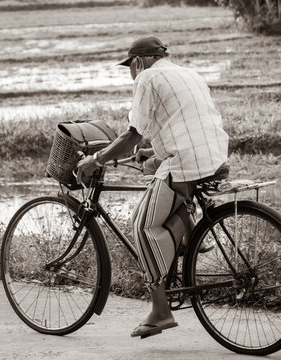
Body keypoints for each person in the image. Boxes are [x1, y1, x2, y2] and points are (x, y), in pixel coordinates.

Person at [76, 35, 229, 339]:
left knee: (142, 224)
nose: (131, 73)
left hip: (186, 162)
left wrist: (96, 160)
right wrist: (155, 152)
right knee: (152, 168)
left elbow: (133, 135)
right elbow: (182, 122)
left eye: (130, 67)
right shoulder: (188, 73)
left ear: (138, 61)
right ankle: (185, 236)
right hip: (213, 154)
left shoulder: (147, 77)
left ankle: (160, 311)